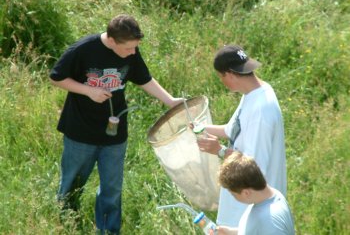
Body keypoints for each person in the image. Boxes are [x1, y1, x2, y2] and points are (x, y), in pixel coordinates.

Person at [49, 14, 183, 234]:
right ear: (111, 41)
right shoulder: (82, 50)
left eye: (135, 48)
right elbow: (56, 77)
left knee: (112, 188)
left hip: (114, 133)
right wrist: (89, 91)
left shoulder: (130, 49)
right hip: (80, 132)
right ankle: (66, 224)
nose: (133, 53)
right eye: (129, 49)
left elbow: (143, 78)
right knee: (72, 183)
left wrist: (169, 101)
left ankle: (108, 230)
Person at [196, 45, 287, 227]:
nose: (222, 82)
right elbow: (232, 130)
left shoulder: (262, 110)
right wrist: (200, 127)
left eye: (220, 77)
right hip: (240, 201)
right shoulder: (253, 93)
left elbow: (254, 167)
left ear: (229, 74)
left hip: (254, 208)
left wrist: (220, 151)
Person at [215, 151, 295, 235]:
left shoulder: (270, 222)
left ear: (246, 193)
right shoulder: (268, 196)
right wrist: (230, 232)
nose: (233, 197)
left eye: (233, 194)